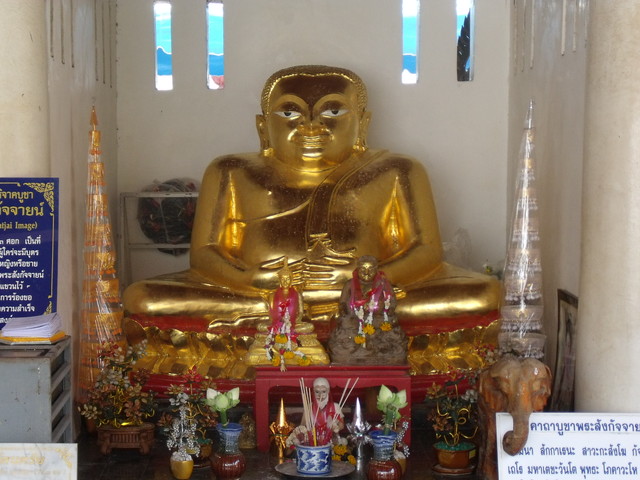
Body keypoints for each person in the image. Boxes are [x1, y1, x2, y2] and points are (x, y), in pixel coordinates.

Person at [123, 64, 500, 327]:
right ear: (262, 127)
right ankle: (304, 312)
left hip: (364, 293)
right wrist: (253, 279)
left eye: (332, 111)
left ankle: (306, 314)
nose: (311, 126)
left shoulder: (397, 170)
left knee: (483, 294)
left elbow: (427, 254)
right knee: (143, 298)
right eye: (290, 114)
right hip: (257, 294)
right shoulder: (231, 171)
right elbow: (205, 255)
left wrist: (363, 277)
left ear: (363, 124)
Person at [328, 255, 407, 365]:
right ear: (357, 270)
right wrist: (346, 310)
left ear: (376, 269)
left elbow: (392, 301)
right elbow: (342, 302)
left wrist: (383, 308)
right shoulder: (350, 284)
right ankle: (351, 350)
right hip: (354, 318)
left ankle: (381, 350)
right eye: (363, 270)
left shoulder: (383, 284)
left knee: (389, 324)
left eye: (371, 270)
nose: (366, 273)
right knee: (346, 323)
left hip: (378, 318)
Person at [287, 377, 345, 447]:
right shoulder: (309, 406)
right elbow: (303, 425)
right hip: (312, 442)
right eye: (317, 392)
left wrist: (335, 427)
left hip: (331, 441)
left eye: (323, 391)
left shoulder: (335, 406)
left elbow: (341, 425)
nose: (320, 395)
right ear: (313, 392)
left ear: (328, 391)